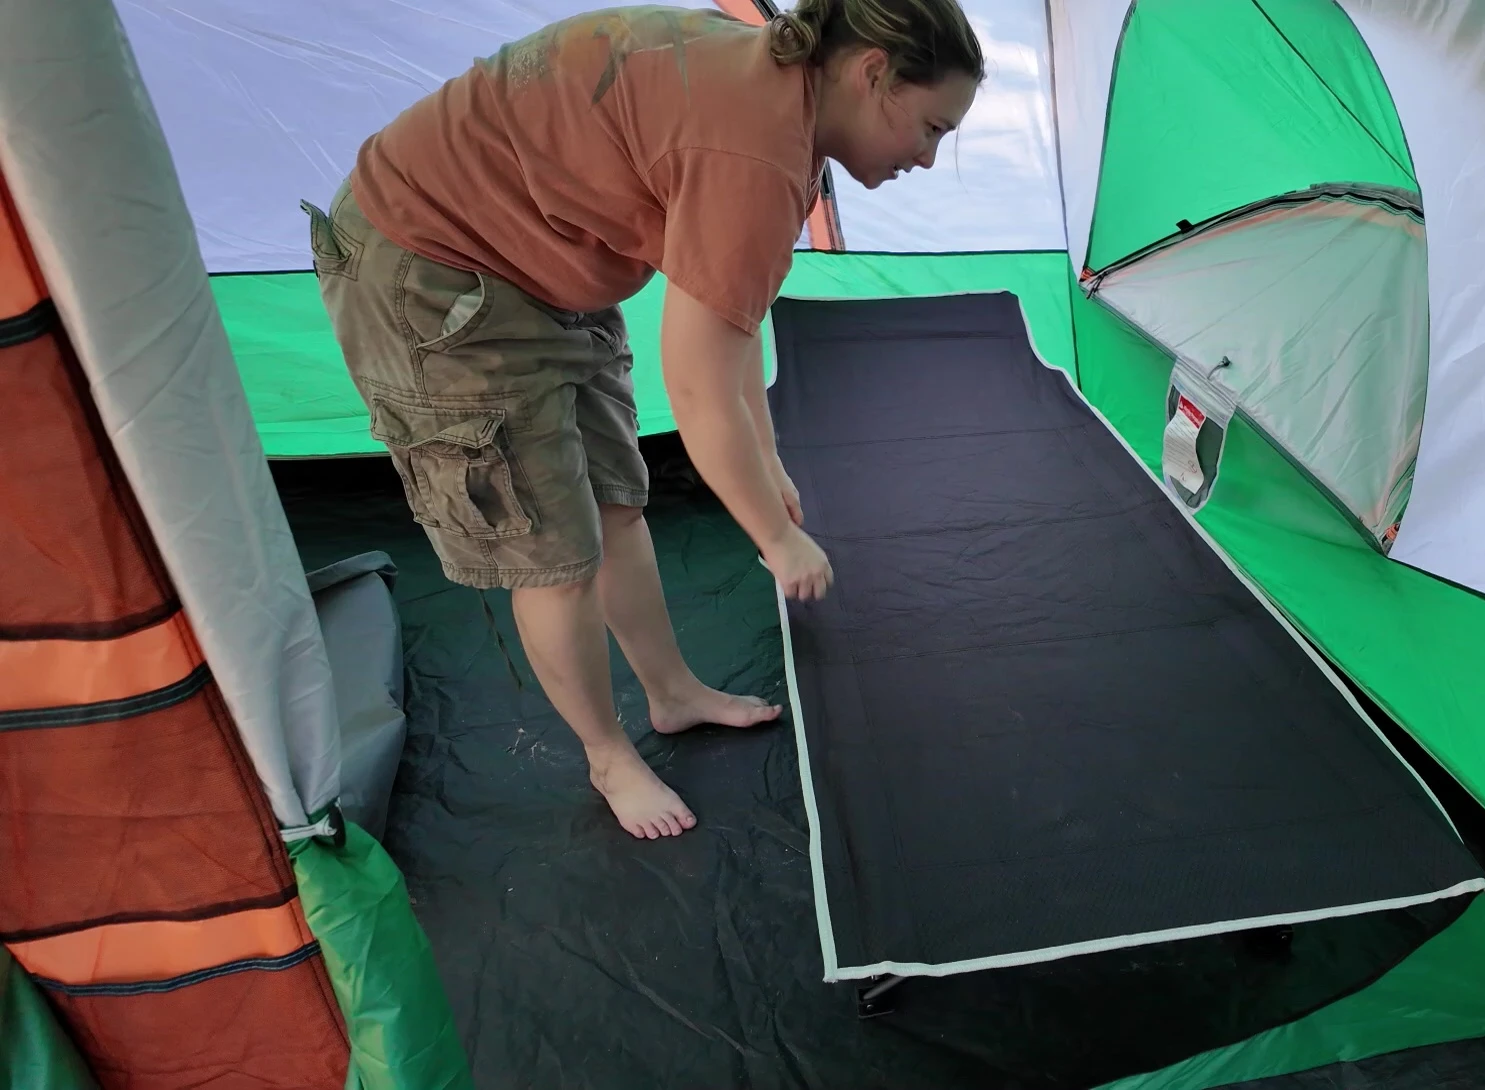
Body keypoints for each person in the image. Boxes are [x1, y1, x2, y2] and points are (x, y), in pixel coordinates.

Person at [304, 1, 983, 840]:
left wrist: (766, 462)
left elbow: (735, 322)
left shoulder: (789, 111)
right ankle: (607, 756)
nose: (928, 156)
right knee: (554, 553)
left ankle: (672, 693)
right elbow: (695, 389)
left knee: (616, 501)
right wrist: (775, 537)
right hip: (429, 266)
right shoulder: (750, 148)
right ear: (872, 73)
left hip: (540, 259)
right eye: (931, 128)